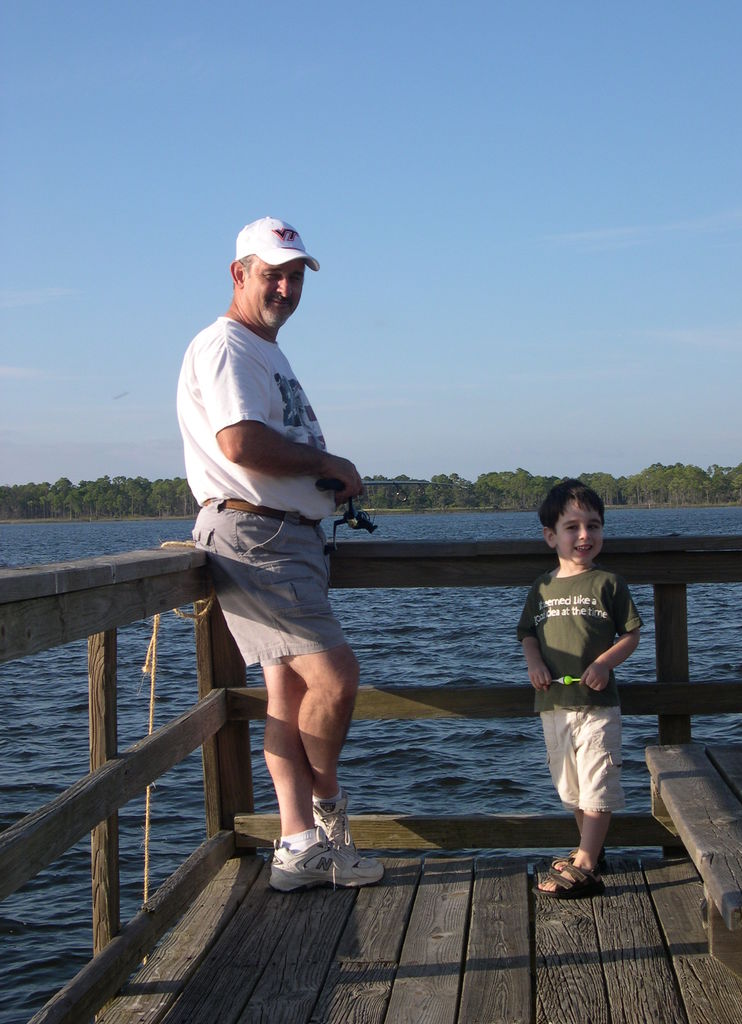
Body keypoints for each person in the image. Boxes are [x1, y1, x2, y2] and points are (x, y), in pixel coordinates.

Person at [177, 216, 383, 892]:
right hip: (258, 536)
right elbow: (238, 442)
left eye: (296, 276)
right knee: (335, 679)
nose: (287, 287)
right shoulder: (228, 345)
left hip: (281, 534)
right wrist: (330, 461)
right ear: (239, 274)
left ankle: (297, 847)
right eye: (274, 274)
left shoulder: (265, 350)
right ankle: (327, 809)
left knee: (288, 694)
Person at [517, 479, 642, 898]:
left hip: (597, 705)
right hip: (553, 704)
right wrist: (534, 663)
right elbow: (527, 634)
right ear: (550, 535)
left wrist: (605, 663)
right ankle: (591, 849)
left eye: (594, 525)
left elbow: (630, 634)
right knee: (569, 783)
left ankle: (586, 864)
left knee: (597, 780)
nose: (585, 535)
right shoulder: (542, 587)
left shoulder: (608, 583)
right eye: (572, 527)